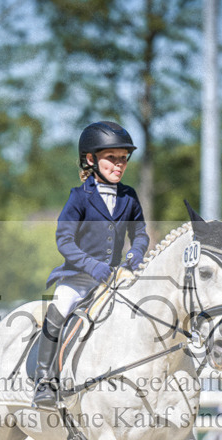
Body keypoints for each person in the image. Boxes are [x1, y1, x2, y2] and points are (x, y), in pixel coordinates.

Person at [33, 120, 150, 408]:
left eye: (123, 158)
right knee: (59, 310)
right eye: (112, 158)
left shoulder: (129, 196)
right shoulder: (79, 197)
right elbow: (65, 241)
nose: (119, 165)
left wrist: (135, 254)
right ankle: (44, 381)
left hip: (115, 278)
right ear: (91, 159)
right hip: (78, 278)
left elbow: (141, 233)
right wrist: (92, 266)